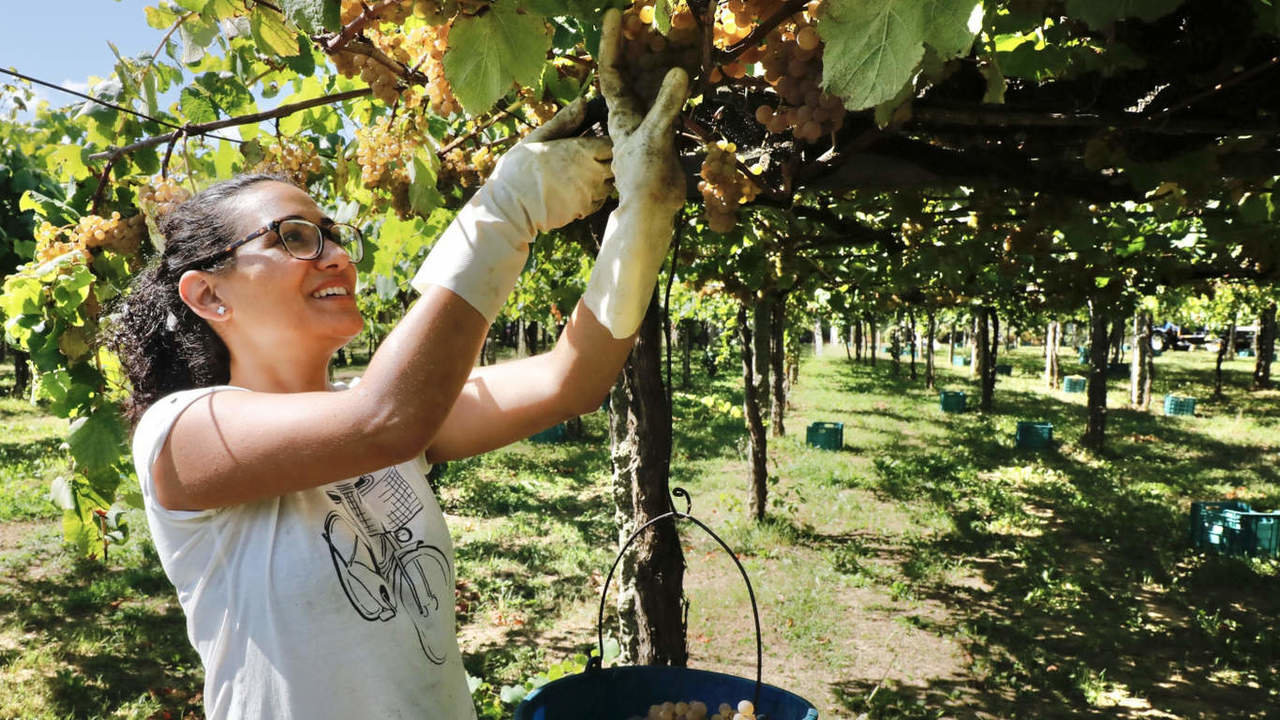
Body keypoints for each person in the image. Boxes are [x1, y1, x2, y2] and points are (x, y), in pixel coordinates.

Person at [110, 11, 688, 719]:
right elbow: (385, 419)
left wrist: (643, 216)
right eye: (295, 237)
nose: (337, 256)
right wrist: (503, 212)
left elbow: (572, 378)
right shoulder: (181, 433)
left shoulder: (382, 420)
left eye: (332, 235)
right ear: (207, 293)